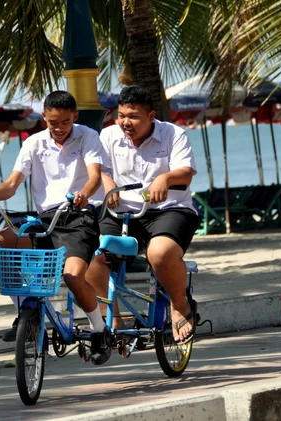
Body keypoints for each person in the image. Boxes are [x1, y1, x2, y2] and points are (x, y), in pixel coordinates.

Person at [0, 90, 112, 365]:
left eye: (65, 122)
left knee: (73, 277)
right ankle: (27, 313)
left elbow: (95, 177)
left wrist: (85, 193)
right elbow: (13, 184)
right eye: (53, 122)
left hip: (78, 218)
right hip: (45, 221)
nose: (59, 128)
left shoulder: (88, 136)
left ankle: (100, 330)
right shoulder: (33, 143)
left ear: (74, 117)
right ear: (44, 118)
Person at [86, 86, 199, 343]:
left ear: (151, 116)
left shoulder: (174, 134)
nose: (126, 122)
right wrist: (108, 183)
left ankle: (180, 303)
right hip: (121, 212)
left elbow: (186, 171)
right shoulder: (108, 135)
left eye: (133, 116)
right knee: (93, 258)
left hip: (168, 209)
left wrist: (166, 178)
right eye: (121, 115)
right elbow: (100, 170)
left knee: (159, 253)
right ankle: (112, 319)